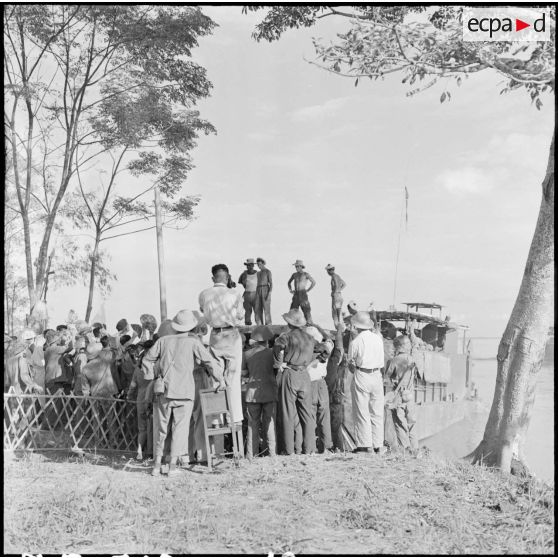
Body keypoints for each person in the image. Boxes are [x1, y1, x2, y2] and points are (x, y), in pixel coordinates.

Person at [142, 309, 223, 477]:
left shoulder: (162, 341)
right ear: (191, 326)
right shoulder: (194, 343)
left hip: (164, 391)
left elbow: (147, 360)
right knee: (180, 428)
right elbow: (209, 362)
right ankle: (172, 467)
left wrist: (152, 377)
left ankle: (157, 465)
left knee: (161, 428)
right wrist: (220, 379)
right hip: (185, 392)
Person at [199, 263, 245, 424]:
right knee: (233, 376)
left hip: (215, 335)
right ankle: (234, 416)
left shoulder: (204, 294)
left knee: (216, 376)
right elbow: (240, 316)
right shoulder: (235, 293)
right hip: (231, 334)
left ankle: (216, 417)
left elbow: (202, 311)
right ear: (227, 277)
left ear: (213, 278)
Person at [273, 308, 316, 455]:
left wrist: (279, 363)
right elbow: (325, 350)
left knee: (287, 413)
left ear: (289, 323)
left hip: (290, 372)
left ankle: (288, 449)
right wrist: (312, 361)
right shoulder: (310, 338)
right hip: (305, 374)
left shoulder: (286, 337)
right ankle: (310, 449)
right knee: (307, 414)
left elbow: (277, 346)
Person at [348, 311, 385, 454]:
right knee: (377, 411)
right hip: (377, 375)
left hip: (362, 374)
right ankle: (378, 445)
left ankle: (365, 445)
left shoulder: (355, 341)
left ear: (356, 326)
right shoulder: (378, 339)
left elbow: (351, 364)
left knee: (362, 411)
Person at [242, 325, 277, 458]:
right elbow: (276, 368)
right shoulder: (272, 353)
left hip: (252, 394)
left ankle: (251, 454)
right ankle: (272, 453)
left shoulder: (246, 354)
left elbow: (244, 374)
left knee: (252, 424)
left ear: (255, 340)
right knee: (269, 423)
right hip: (269, 391)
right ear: (268, 340)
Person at [385, 335, 418, 454]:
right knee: (411, 422)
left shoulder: (394, 361)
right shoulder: (412, 359)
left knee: (399, 422)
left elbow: (386, 379)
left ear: (398, 347)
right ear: (405, 346)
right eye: (408, 344)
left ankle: (405, 448)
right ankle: (415, 447)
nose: (410, 345)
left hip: (399, 396)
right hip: (410, 395)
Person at [305, 326, 334, 453]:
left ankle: (311, 447)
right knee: (324, 416)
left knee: (310, 416)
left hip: (309, 383)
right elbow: (329, 339)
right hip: (322, 383)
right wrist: (317, 326)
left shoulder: (305, 350)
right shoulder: (325, 348)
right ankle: (326, 447)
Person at [127, 340, 156, 461]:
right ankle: (150, 451)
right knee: (152, 426)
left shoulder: (137, 370)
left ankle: (139, 450)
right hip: (152, 399)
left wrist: (129, 396)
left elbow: (132, 386)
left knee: (142, 428)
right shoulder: (155, 368)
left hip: (140, 399)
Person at [287, 260, 316, 324]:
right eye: (295, 266)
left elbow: (313, 282)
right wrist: (290, 290)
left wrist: (308, 290)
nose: (296, 268)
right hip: (296, 294)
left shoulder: (305, 274)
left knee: (306, 310)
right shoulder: (294, 275)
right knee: (293, 310)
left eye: (297, 266)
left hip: (303, 294)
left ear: (301, 266)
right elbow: (289, 283)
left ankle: (310, 324)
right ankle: (292, 325)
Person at [238, 258, 259, 326]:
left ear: (253, 265)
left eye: (250, 265)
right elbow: (241, 281)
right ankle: (247, 324)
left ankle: (259, 325)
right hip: (247, 293)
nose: (248, 266)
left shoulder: (258, 274)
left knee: (257, 310)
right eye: (247, 265)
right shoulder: (244, 274)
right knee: (247, 310)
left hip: (256, 294)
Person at [255, 257, 273, 325]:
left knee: (266, 308)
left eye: (259, 264)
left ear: (263, 264)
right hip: (258, 289)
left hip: (265, 288)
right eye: (257, 264)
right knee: (257, 308)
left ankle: (268, 324)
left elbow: (271, 283)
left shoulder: (268, 271)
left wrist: (269, 293)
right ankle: (259, 324)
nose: (258, 266)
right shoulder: (258, 273)